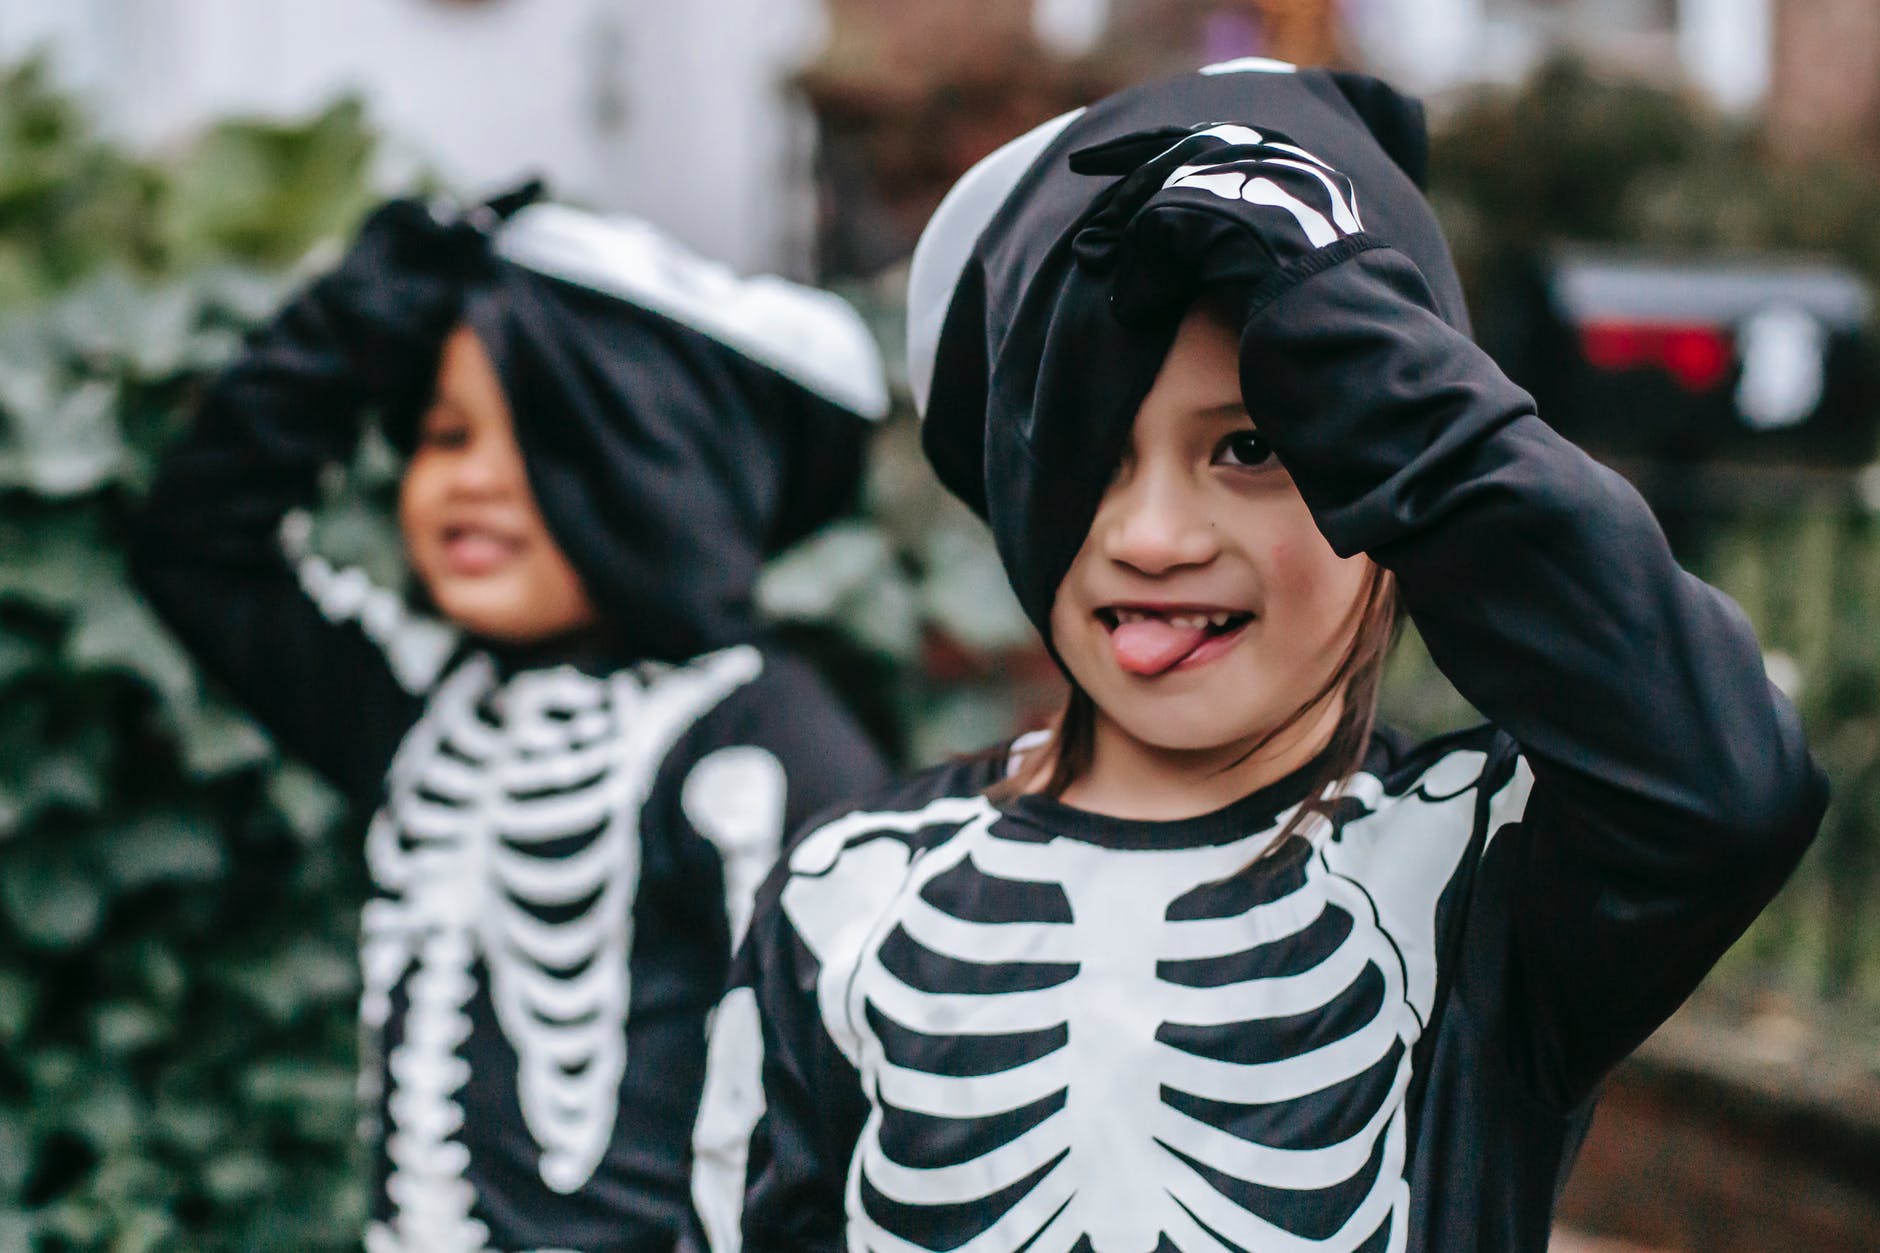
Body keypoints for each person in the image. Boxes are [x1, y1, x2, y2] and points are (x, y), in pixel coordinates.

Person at [706, 62, 1827, 1253]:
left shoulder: (1484, 870)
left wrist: (1337, 320)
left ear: (1385, 457)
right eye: (1091, 451)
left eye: (1252, 445)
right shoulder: (845, 891)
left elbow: (1728, 784)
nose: (1150, 536)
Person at [129, 187, 892, 1253]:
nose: (466, 483)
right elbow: (199, 544)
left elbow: (841, 1112)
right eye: (439, 436)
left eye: (534, 439)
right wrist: (363, 311)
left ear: (657, 465)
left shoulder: (759, 739)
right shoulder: (418, 707)